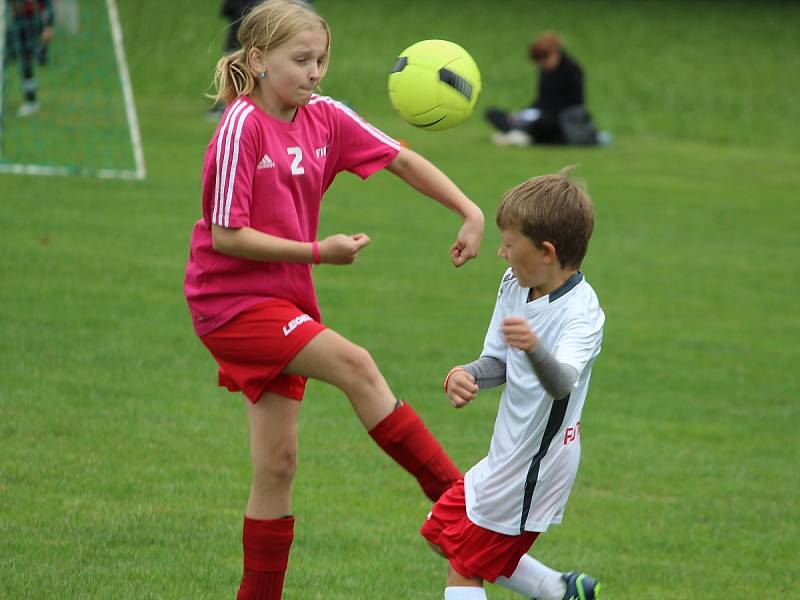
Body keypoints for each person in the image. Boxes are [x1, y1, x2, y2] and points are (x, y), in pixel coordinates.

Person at [183, 1, 484, 598]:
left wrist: (469, 210)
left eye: (321, 59)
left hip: (286, 302)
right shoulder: (241, 124)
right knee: (356, 364)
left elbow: (400, 158)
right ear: (258, 59)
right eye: (301, 60)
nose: (315, 72)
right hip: (231, 303)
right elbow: (226, 235)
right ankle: (467, 517)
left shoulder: (323, 117)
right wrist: (319, 252)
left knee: (277, 467)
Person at [421, 171, 605, 600]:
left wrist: (537, 348)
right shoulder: (516, 284)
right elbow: (499, 362)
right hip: (506, 455)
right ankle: (559, 591)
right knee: (439, 533)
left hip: (537, 467)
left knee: (464, 568)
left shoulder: (582, 314)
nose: (500, 253)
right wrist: (464, 374)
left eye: (509, 243)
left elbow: (561, 383)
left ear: (545, 252)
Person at [486, 32, 609, 147]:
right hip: (540, 114)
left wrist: (544, 112)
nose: (542, 67)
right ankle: (522, 132)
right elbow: (541, 99)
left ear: (553, 54)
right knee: (493, 113)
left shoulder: (573, 70)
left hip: (561, 119)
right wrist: (524, 112)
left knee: (545, 122)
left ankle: (522, 133)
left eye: (543, 62)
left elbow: (577, 104)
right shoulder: (545, 72)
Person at [5, 0, 54, 117]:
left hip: (32, 21)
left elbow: (47, 6)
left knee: (25, 62)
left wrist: (48, 26)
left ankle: (31, 101)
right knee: (4, 58)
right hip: (16, 22)